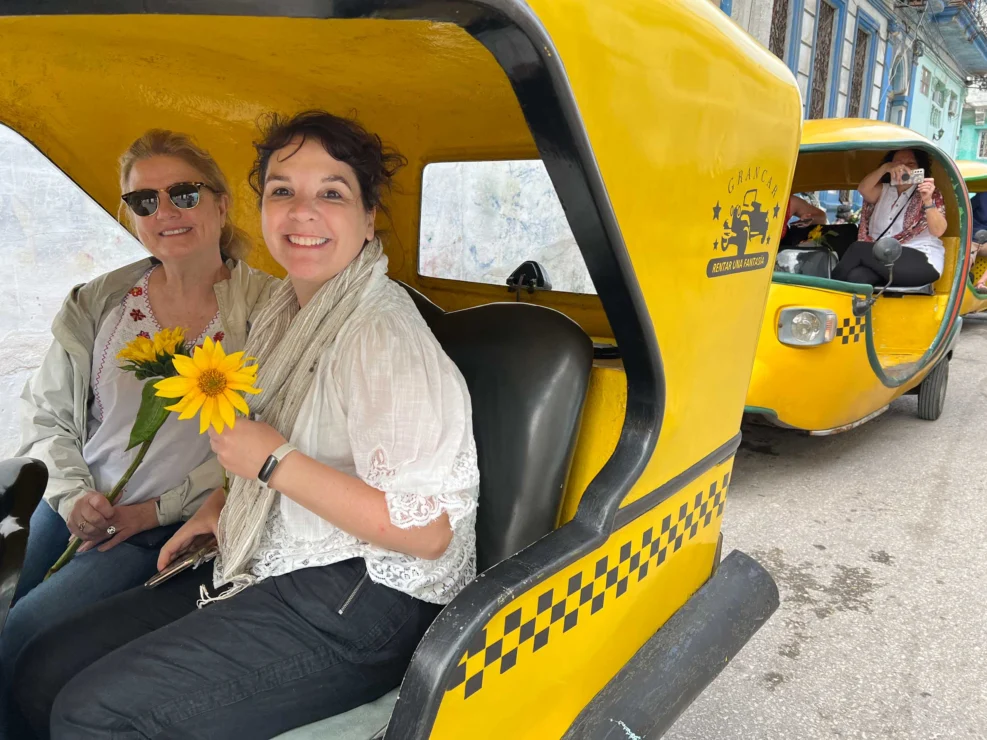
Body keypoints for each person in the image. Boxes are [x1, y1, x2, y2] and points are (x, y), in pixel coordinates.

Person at [13, 110, 480, 739]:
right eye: (284, 191)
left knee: (92, 714)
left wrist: (272, 462)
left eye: (332, 193)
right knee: (40, 665)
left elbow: (428, 534)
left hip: (364, 596)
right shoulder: (286, 311)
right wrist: (217, 507)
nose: (302, 212)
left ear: (368, 218)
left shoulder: (381, 336)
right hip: (268, 548)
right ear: (260, 208)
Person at [0, 130, 274, 735]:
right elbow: (49, 413)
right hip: (74, 500)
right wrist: (73, 495)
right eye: (144, 202)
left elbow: (275, 439)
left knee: (25, 634)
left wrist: (154, 511)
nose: (165, 212)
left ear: (222, 203)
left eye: (183, 193)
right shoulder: (102, 300)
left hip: (169, 525)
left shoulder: (269, 311)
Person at [831, 149, 947, 288]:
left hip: (921, 260)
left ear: (919, 169)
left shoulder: (929, 193)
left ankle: (824, 292)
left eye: (911, 164)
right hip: (884, 258)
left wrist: (927, 200)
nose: (903, 167)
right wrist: (885, 168)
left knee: (858, 249)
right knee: (857, 277)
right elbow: (863, 189)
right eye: (897, 163)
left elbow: (938, 231)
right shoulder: (882, 190)